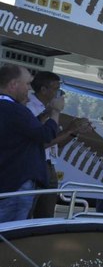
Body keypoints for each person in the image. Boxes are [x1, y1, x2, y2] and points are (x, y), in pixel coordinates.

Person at [0, 65, 61, 223]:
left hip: (8, 181)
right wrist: (55, 113)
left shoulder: (10, 109)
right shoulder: (15, 110)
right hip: (17, 183)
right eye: (27, 84)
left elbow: (27, 130)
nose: (29, 89)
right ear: (13, 84)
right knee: (11, 232)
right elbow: (45, 135)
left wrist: (44, 115)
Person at [26, 71, 90, 218]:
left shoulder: (50, 108)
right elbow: (42, 143)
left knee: (46, 214)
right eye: (56, 89)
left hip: (50, 165)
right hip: (35, 164)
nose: (60, 94)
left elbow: (57, 143)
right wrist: (69, 129)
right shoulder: (30, 108)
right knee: (28, 212)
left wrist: (74, 132)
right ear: (43, 90)